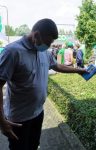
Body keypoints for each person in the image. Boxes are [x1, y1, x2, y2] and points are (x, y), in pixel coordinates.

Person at [0, 18, 86, 150]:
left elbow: (56, 66)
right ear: (35, 35)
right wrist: (1, 121)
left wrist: (79, 70)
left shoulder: (44, 52)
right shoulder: (12, 52)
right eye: (47, 43)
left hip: (38, 113)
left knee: (33, 145)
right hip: (19, 118)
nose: (48, 46)